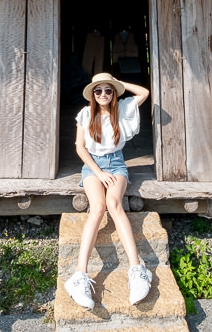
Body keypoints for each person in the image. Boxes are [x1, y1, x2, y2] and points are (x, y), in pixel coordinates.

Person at [64, 72, 152, 310]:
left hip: (116, 164)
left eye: (108, 90)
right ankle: (80, 276)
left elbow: (144, 92)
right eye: (98, 90)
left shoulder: (121, 109)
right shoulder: (85, 114)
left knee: (114, 204)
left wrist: (119, 83)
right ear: (92, 94)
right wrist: (98, 173)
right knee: (98, 208)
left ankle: (137, 269)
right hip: (92, 166)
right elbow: (81, 149)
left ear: (114, 93)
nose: (103, 94)